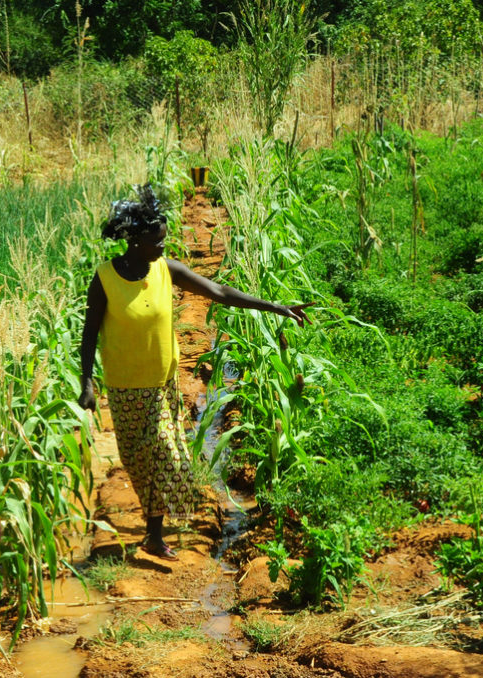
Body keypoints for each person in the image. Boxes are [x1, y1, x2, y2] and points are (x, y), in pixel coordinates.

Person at [78, 185, 312, 561]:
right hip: (124, 388)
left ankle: (157, 532)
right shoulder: (104, 279)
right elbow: (89, 332)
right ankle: (153, 534)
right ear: (136, 242)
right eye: (157, 242)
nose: (162, 248)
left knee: (169, 455)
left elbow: (219, 291)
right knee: (139, 463)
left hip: (162, 384)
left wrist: (277, 307)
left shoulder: (166, 270)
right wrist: (86, 381)